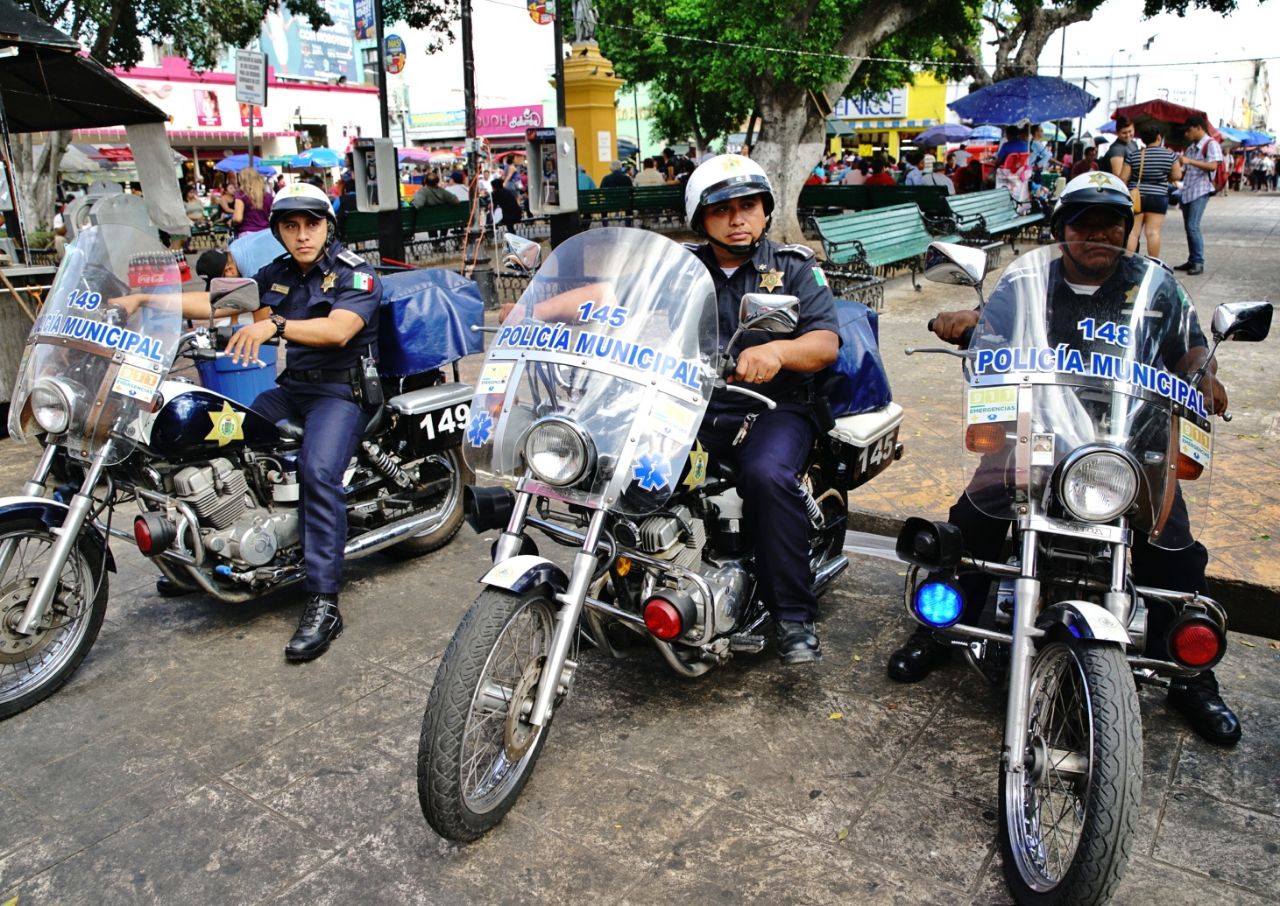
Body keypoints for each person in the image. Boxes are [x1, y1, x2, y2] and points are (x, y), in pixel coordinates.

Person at [887, 171, 1241, 746]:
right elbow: (993, 319)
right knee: (974, 518)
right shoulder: (1028, 280)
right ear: (1061, 229)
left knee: (1172, 542)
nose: (1097, 233)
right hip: (1037, 435)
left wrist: (1206, 374)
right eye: (1084, 222)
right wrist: (963, 321)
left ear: (1128, 230)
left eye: (1111, 222)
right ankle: (941, 629)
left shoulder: (1155, 287)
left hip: (1127, 441)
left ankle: (1192, 677)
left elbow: (1191, 344)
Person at [682, 155, 840, 663]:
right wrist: (539, 307)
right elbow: (617, 301)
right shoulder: (682, 270)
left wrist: (776, 351)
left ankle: (793, 614)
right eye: (722, 209)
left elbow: (824, 343)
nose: (737, 218)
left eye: (748, 206)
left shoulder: (793, 267)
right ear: (699, 218)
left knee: (766, 475)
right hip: (693, 404)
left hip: (777, 408)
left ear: (765, 211)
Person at [227, 182, 383, 661]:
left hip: (341, 392)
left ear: (327, 226)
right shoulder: (276, 273)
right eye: (290, 226)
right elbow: (219, 302)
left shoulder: (356, 274)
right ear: (277, 231)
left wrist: (273, 325)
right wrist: (145, 304)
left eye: (311, 224)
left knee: (318, 472)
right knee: (228, 431)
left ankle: (323, 599)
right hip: (294, 389)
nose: (301, 235)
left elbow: (338, 331)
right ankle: (233, 545)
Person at [1120, 123, 1182, 260]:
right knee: (1153, 232)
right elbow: (1177, 176)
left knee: (1133, 233)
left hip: (1136, 197)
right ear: (1158, 138)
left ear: (1143, 140)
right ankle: (1153, 264)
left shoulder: (1133, 155)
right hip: (1158, 196)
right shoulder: (1170, 156)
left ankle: (1127, 262)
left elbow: (1123, 178)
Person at [1175, 115, 1223, 276]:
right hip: (1188, 191)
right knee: (1189, 228)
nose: (1186, 134)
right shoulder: (1190, 148)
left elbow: (1213, 165)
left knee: (1193, 226)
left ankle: (1198, 262)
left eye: (1189, 131)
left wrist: (1189, 161)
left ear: (1198, 128)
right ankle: (1192, 259)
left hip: (1201, 190)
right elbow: (1185, 170)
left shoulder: (1211, 144)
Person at [232, 167, 273, 236]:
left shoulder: (241, 195)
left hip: (247, 233)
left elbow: (238, 218)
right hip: (266, 233)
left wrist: (232, 220)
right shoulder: (268, 196)